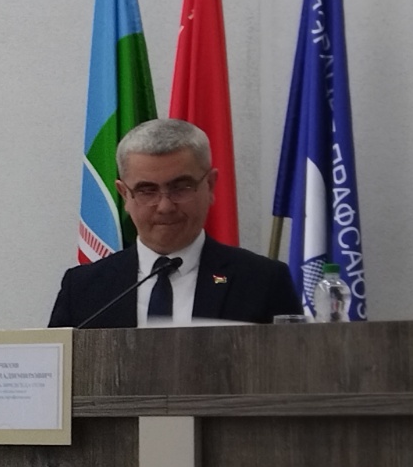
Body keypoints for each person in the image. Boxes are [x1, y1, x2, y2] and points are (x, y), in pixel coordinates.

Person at [48, 118, 300, 328]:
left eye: (181, 187)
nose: (165, 206)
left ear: (210, 186)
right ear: (124, 195)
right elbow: (56, 370)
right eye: (147, 190)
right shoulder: (83, 288)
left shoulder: (263, 281)